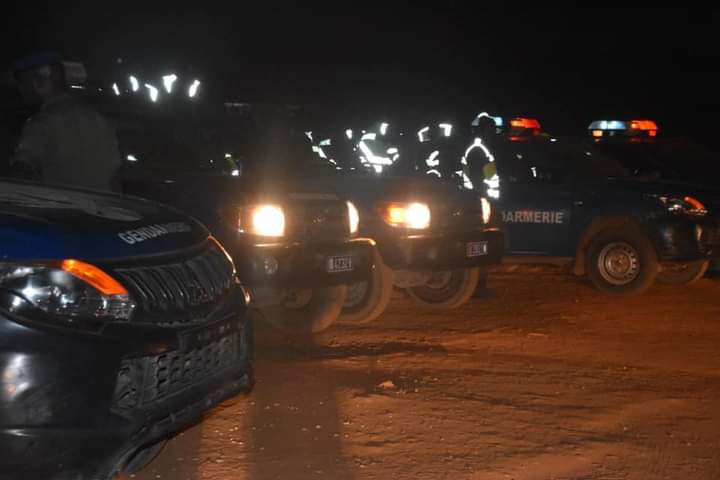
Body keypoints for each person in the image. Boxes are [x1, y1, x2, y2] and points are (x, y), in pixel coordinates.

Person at [10, 52, 122, 191]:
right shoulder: (99, 119)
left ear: (38, 82)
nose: (20, 89)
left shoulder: (40, 124)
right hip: (99, 211)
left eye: (22, 82)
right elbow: (115, 181)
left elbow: (20, 177)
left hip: (53, 210)